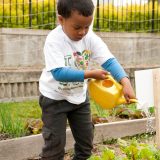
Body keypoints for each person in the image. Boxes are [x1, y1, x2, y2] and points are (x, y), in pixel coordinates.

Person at [38, 0, 136, 159]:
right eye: (77, 27)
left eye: (87, 27)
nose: (83, 32)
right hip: (54, 99)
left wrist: (125, 82)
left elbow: (109, 61)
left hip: (79, 99)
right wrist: (90, 74)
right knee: (54, 146)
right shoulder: (54, 40)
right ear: (61, 20)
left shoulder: (90, 37)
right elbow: (58, 73)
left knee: (86, 143)